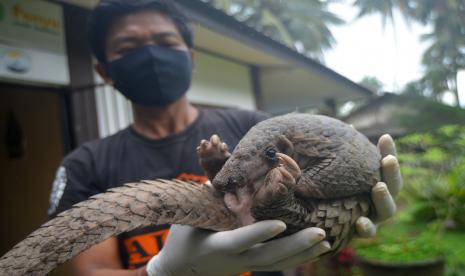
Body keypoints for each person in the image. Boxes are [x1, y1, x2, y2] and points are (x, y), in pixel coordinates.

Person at [47, 0, 402, 275]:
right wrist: (162, 272)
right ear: (104, 72)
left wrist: (353, 201)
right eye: (128, 47)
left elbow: (307, 198)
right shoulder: (85, 166)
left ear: (190, 57)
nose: (151, 56)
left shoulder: (255, 126)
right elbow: (88, 271)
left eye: (164, 42)